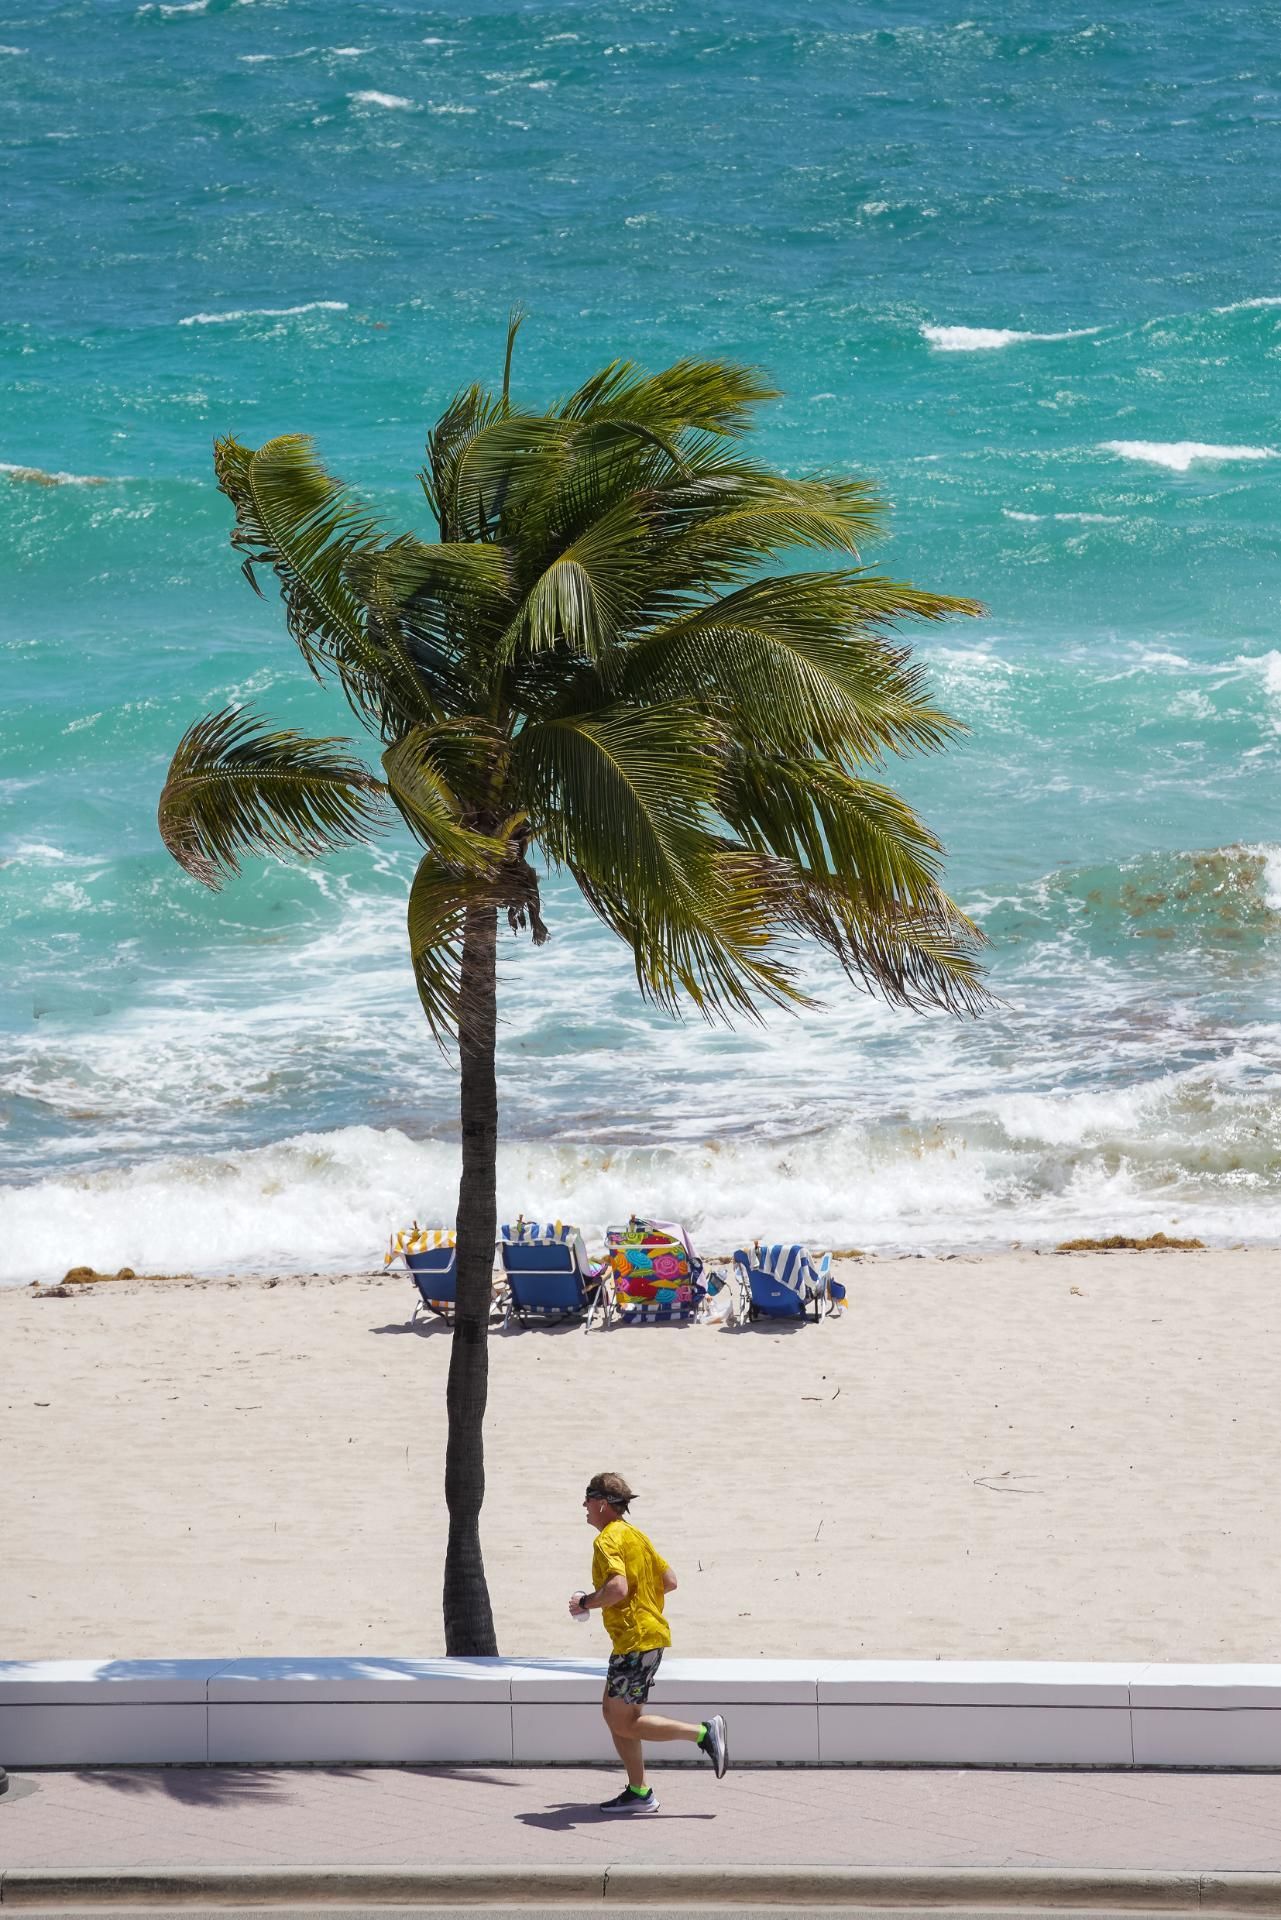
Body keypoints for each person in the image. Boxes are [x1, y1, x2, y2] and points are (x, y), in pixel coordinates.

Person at [569, 1470, 727, 1814]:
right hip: (645, 1636)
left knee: (623, 1720)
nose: (583, 1504)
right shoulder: (635, 1536)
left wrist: (585, 1602)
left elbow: (618, 1588)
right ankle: (639, 1792)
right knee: (615, 1715)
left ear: (603, 1504)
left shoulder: (608, 1539)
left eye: (588, 1497)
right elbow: (669, 1581)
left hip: (635, 1640)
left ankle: (703, 1734)